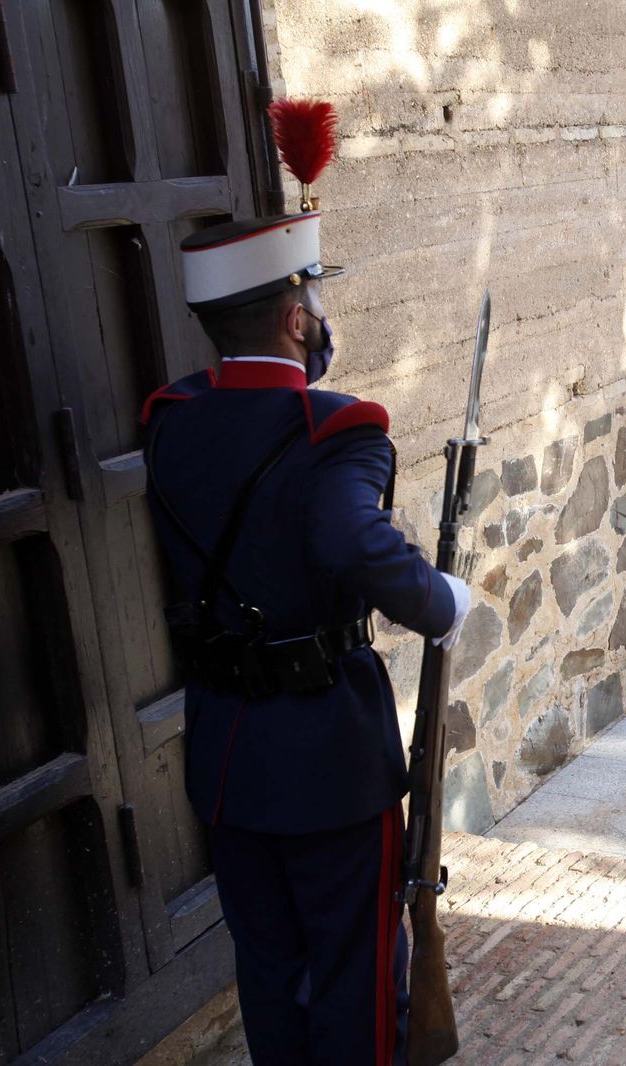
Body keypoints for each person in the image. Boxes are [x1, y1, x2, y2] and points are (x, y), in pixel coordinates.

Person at [141, 200, 471, 1062]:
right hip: (329, 760)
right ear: (295, 318)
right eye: (315, 303)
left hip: (228, 759)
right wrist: (441, 601)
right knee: (354, 976)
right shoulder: (335, 428)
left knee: (270, 971)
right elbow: (347, 539)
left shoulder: (170, 422)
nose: (320, 321)